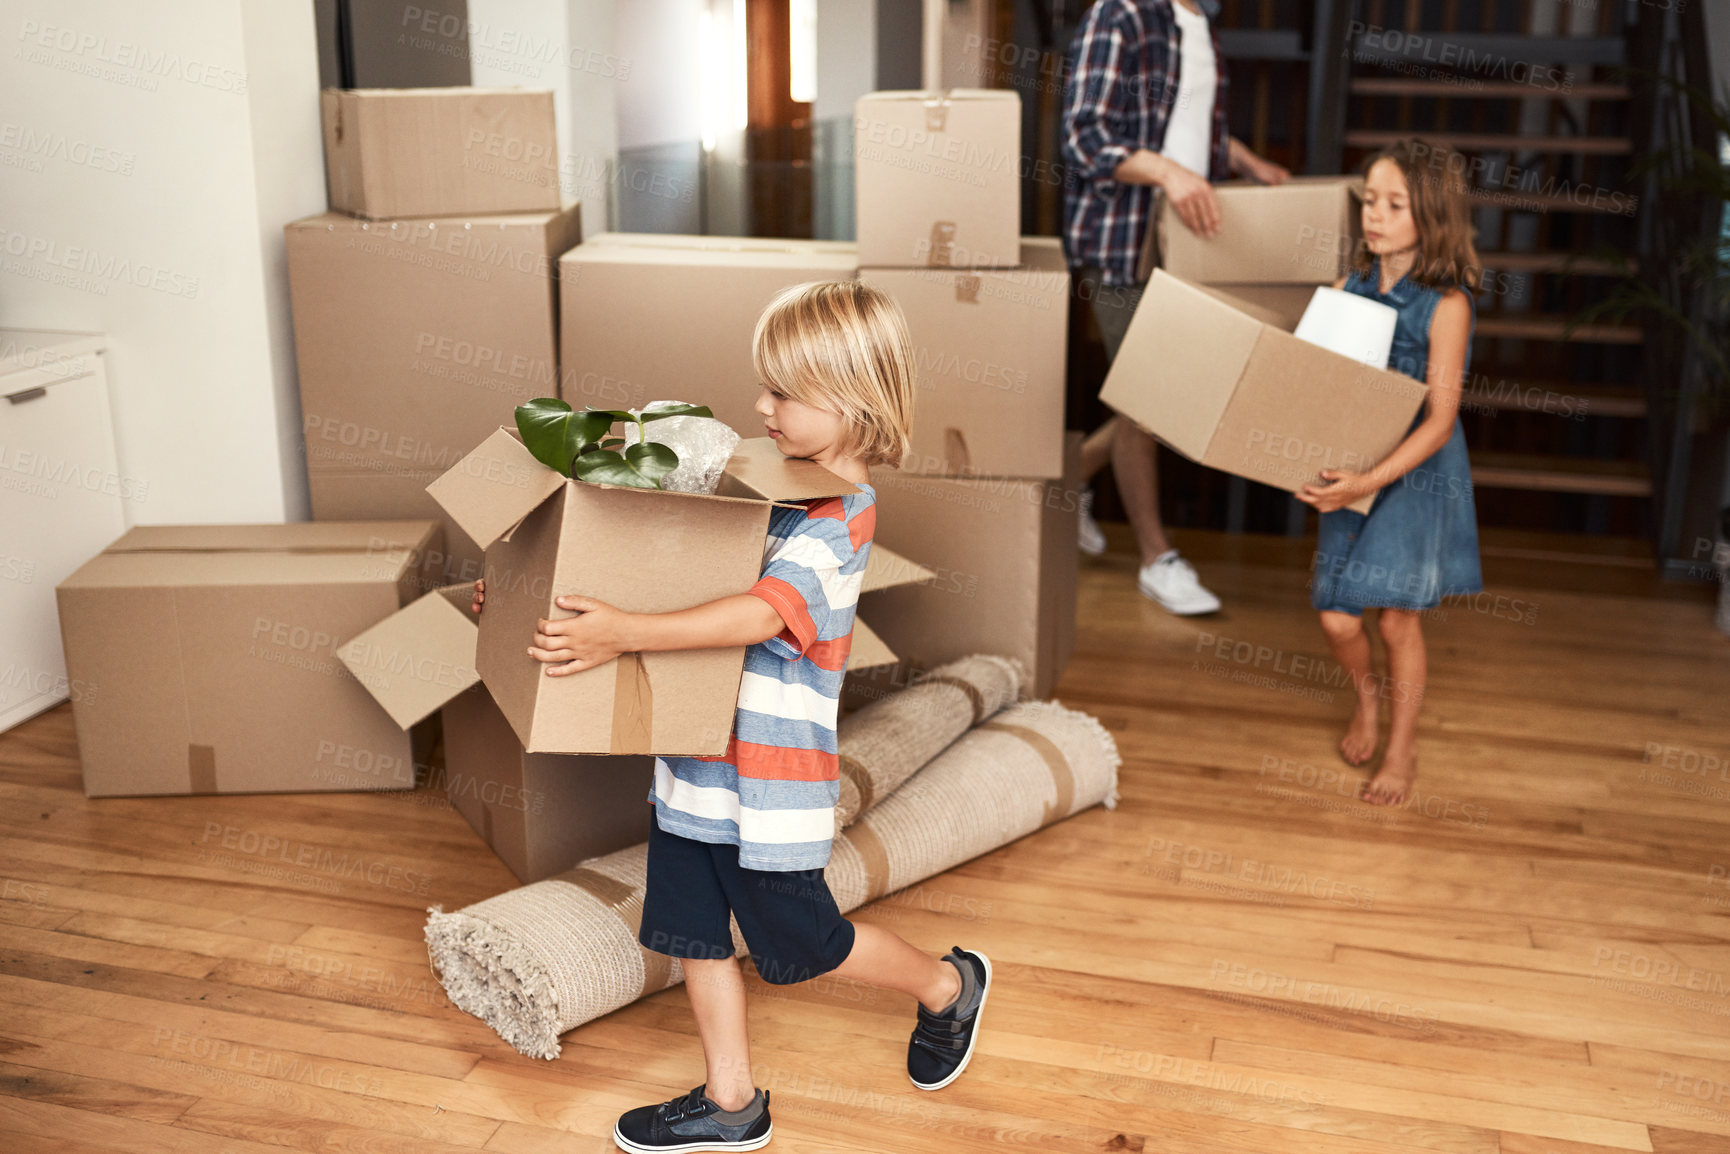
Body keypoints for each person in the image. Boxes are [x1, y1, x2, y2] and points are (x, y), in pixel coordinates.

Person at [472, 282, 991, 1153]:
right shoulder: (766, 489)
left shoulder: (844, 519)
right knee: (691, 932)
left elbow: (757, 616)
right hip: (696, 764)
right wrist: (531, 586)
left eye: (784, 392)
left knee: (808, 943)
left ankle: (946, 987)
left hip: (771, 785)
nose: (761, 406)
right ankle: (731, 1098)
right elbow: (658, 559)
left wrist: (627, 635)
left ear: (855, 398)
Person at [1061, 0, 1290, 614]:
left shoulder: (1202, 24)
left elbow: (1185, 124)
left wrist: (1243, 160)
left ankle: (1067, 480)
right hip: (1125, 244)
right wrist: (1169, 175)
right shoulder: (1122, 14)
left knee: (1171, 397)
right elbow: (1085, 137)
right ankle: (1156, 558)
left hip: (1191, 246)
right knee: (1147, 401)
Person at [1295, 137, 1484, 806]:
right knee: (1339, 619)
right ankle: (1365, 698)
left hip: (1414, 470)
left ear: (1429, 215)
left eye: (1393, 204)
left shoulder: (1448, 304)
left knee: (1398, 621)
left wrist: (1369, 482)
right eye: (1369, 200)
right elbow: (1320, 387)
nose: (1374, 215)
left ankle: (1401, 748)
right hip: (1353, 464)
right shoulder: (1348, 285)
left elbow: (1439, 421)